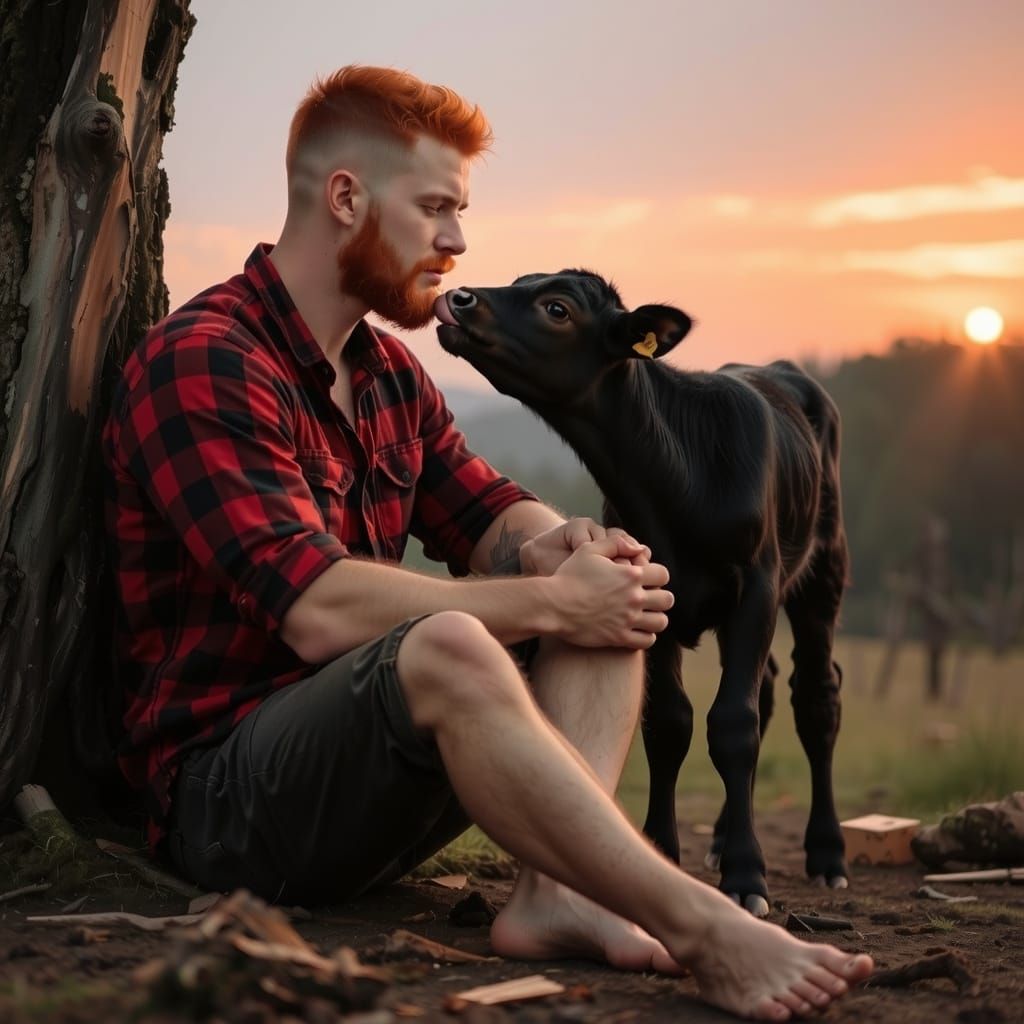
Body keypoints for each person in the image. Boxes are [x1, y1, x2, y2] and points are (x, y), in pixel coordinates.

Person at [102, 65, 872, 1020]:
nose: (458, 242)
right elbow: (317, 608)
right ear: (345, 198)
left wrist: (568, 549)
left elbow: (492, 513)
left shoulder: (386, 374)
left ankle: (559, 894)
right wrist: (547, 599)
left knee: (608, 580)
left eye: (458, 213)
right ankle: (701, 923)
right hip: (231, 807)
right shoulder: (207, 360)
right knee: (460, 641)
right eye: (435, 208)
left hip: (379, 788)